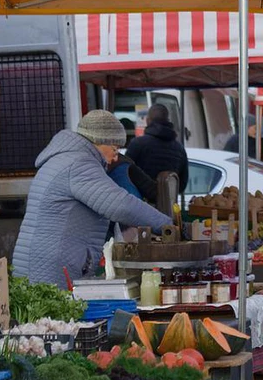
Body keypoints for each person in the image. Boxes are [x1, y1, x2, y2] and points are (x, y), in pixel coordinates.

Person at [13, 111, 172, 289]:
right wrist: (167, 225)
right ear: (99, 141)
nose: (116, 157)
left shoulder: (64, 158)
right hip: (51, 269)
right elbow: (120, 205)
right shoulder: (79, 163)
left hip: (41, 263)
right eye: (114, 149)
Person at [125, 103, 189, 191]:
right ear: (168, 120)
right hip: (167, 202)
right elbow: (182, 185)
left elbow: (125, 172)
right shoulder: (180, 149)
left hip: (138, 200)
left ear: (148, 120)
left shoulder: (138, 143)